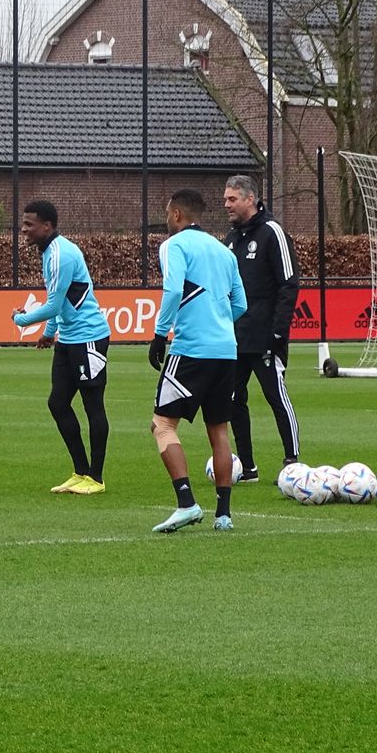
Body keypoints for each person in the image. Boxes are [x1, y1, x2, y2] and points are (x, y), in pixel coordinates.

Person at [147, 188, 247, 534]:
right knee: (219, 430)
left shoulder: (173, 245)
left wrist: (160, 334)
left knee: (162, 425)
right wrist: (218, 323)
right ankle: (224, 515)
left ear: (176, 214)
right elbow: (241, 304)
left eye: (167, 213)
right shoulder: (224, 251)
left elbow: (174, 290)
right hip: (226, 351)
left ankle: (187, 503)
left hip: (191, 349)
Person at [11, 200, 111, 495]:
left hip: (89, 337)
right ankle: (80, 472)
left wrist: (20, 319)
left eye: (29, 224)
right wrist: (49, 333)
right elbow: (60, 299)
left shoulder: (60, 254)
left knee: (93, 405)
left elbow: (54, 305)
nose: (24, 229)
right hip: (68, 339)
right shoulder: (49, 252)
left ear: (47, 226)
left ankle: (96, 478)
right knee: (57, 403)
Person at [223, 175, 301, 481]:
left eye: (232, 199)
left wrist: (278, 332)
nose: (226, 204)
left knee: (275, 396)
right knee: (232, 399)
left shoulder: (272, 232)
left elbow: (289, 284)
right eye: (226, 199)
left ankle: (292, 461)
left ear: (250, 199)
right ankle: (247, 467)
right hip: (235, 337)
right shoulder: (231, 239)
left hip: (266, 336)